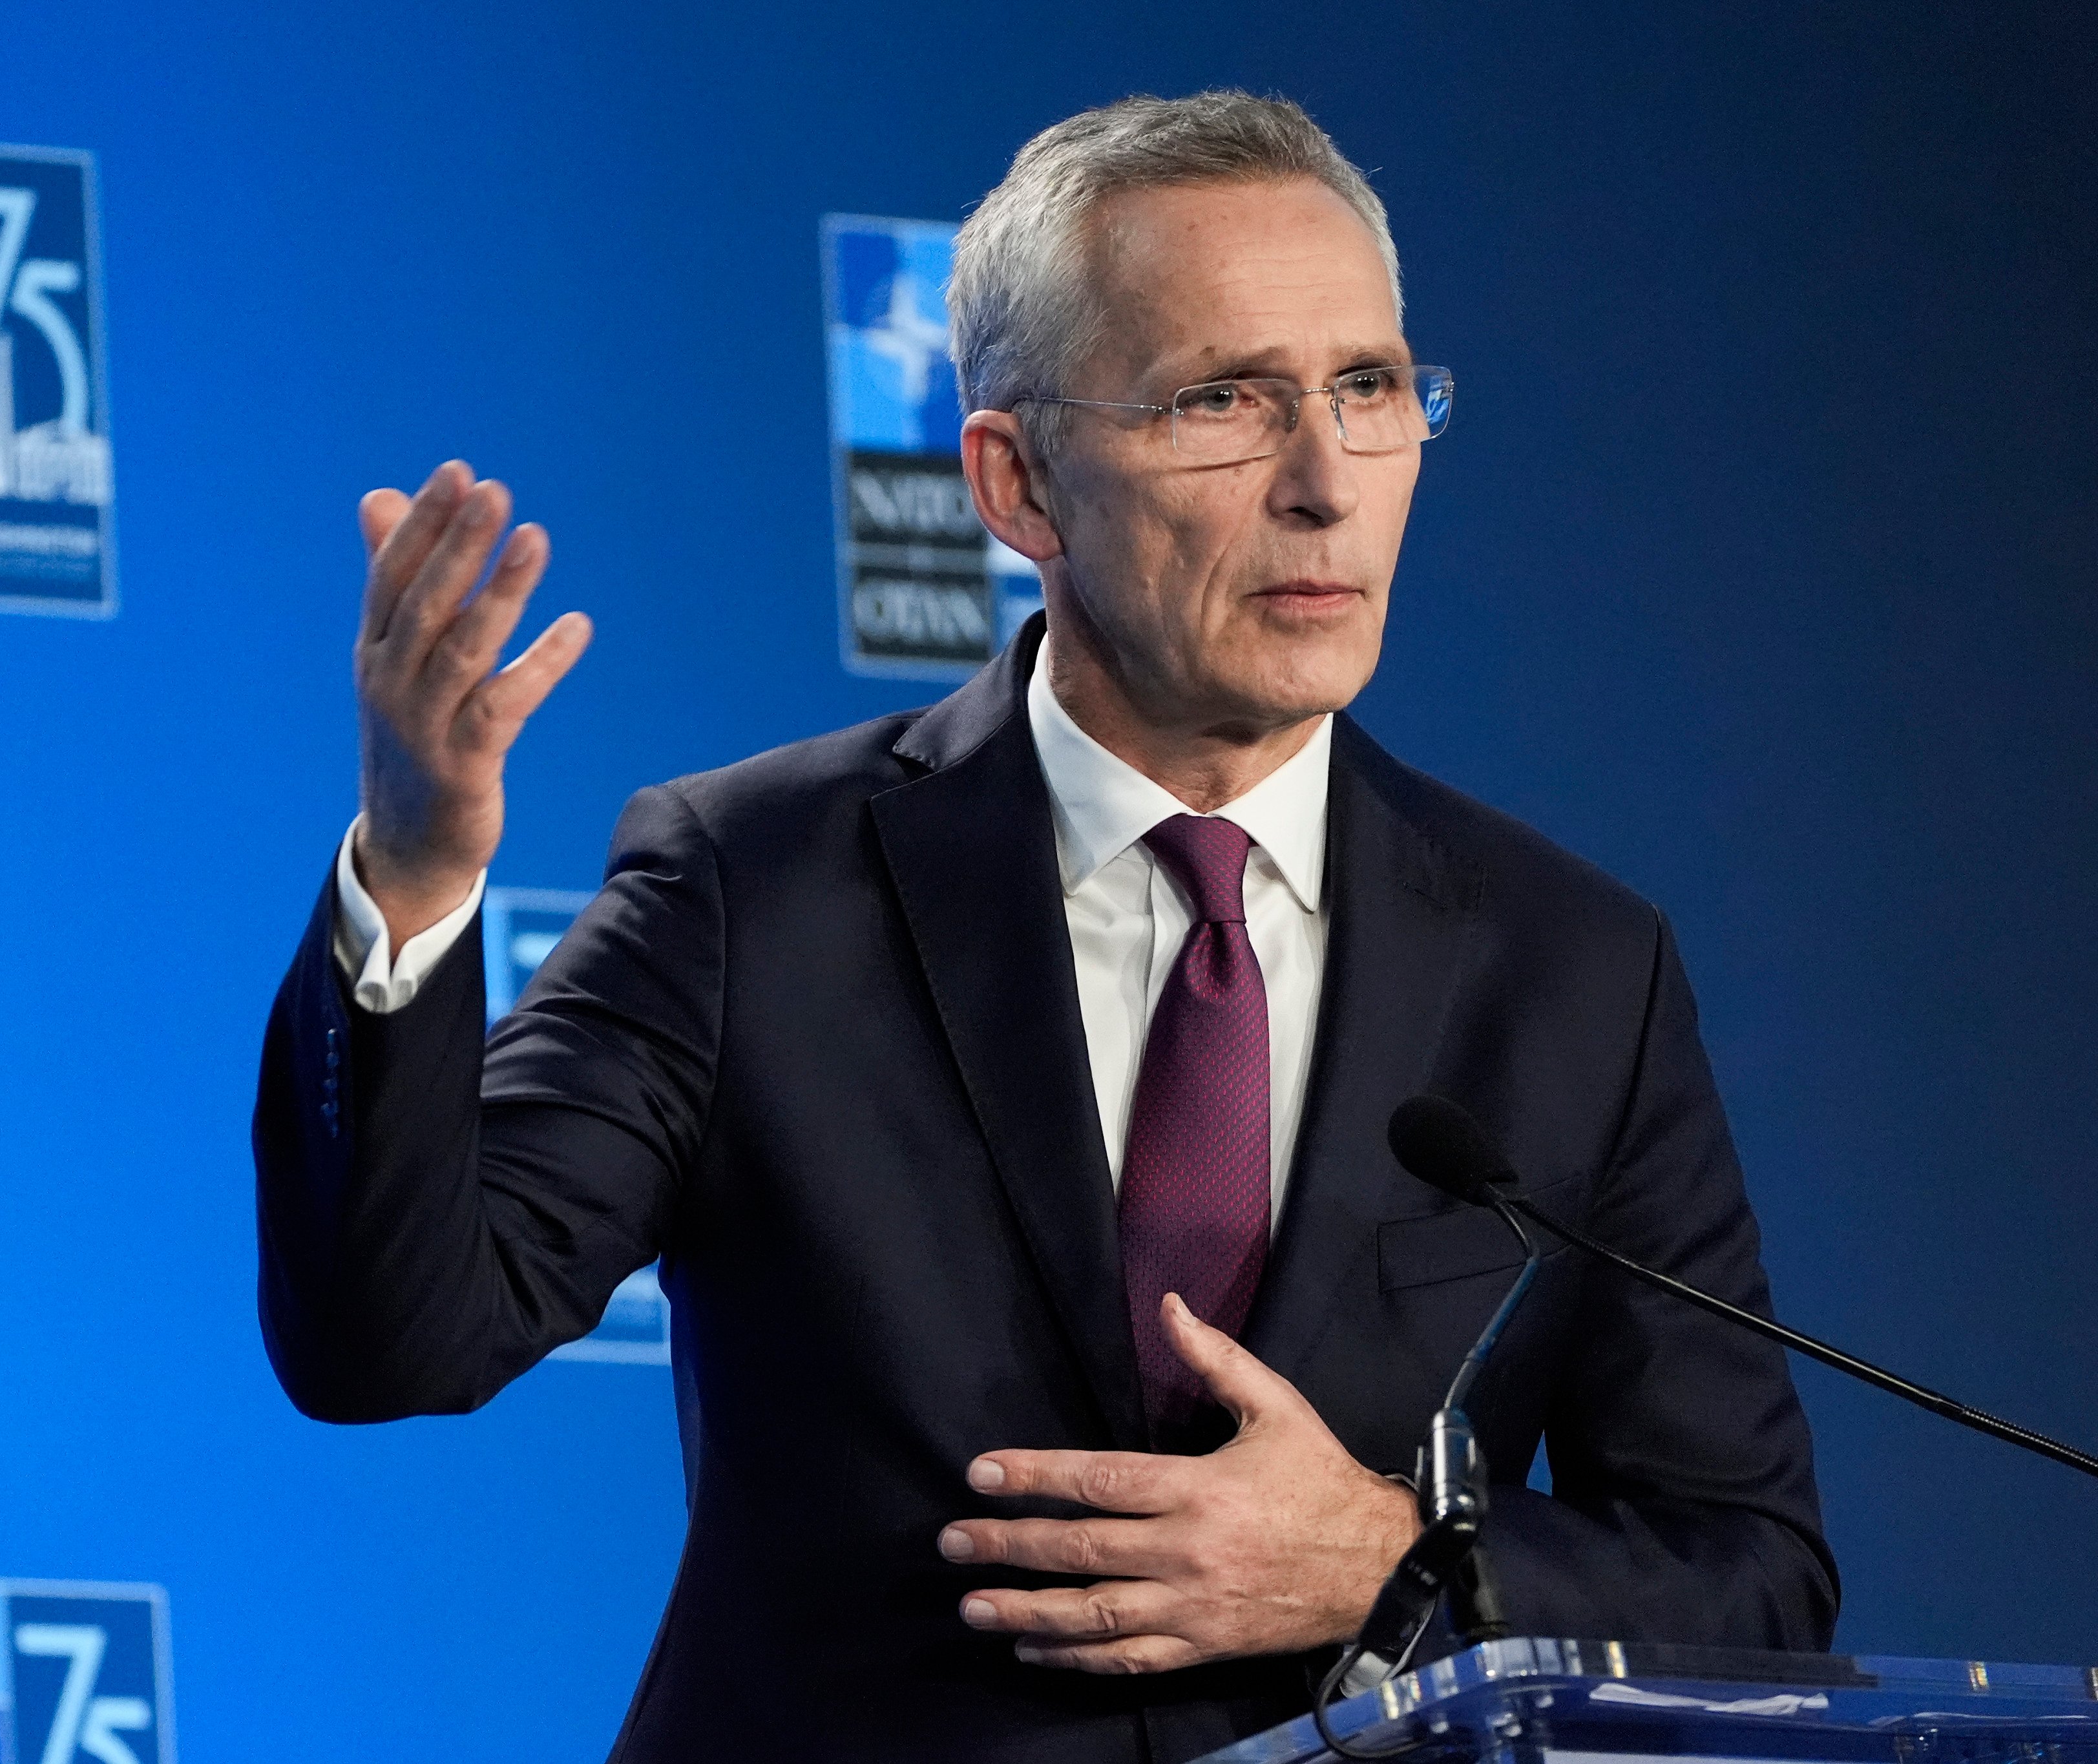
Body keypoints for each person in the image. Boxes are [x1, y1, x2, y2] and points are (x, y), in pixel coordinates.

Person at [252, 90, 1836, 1764]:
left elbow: (1751, 1582)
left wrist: (1384, 1555)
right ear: (1019, 484)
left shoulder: (1573, 967)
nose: (1325, 483)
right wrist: (416, 879)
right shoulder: (753, 885)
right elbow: (394, 1333)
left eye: (1368, 390)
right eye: (1224, 399)